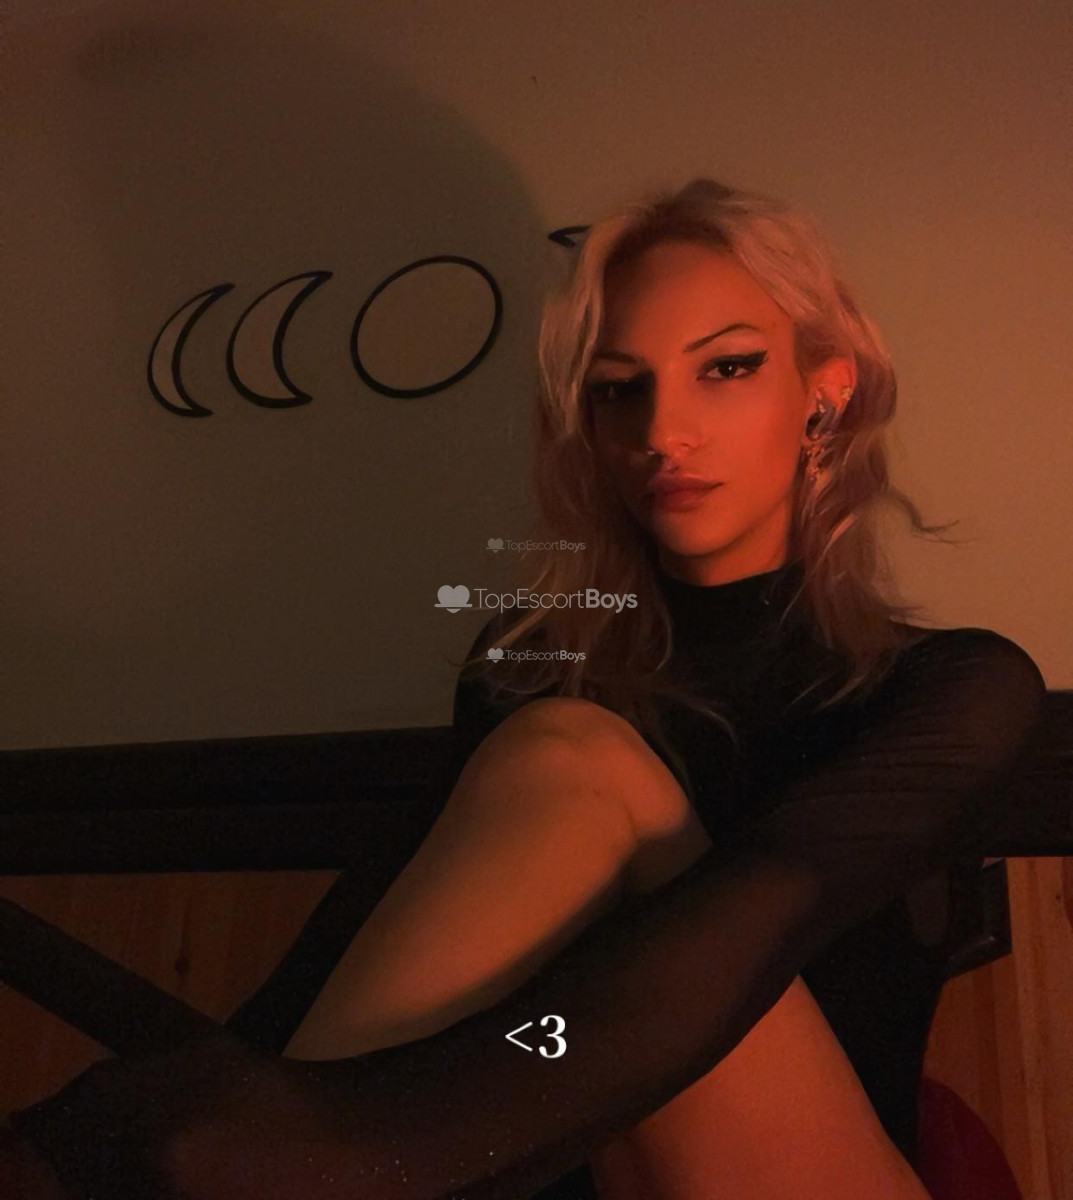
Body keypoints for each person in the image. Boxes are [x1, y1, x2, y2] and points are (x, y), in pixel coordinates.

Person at [2, 177, 1045, 1200]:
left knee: (580, 768)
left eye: (724, 368)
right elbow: (380, 951)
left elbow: (744, 931)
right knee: (554, 744)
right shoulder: (526, 666)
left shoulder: (954, 690)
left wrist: (342, 1134)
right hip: (503, 1156)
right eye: (617, 387)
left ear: (825, 390)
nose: (662, 432)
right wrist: (214, 1103)